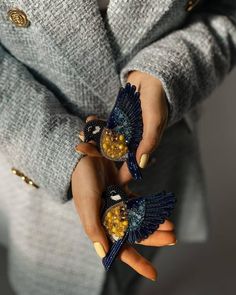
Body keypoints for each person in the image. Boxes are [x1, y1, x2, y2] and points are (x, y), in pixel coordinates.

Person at [0, 0, 235, 294]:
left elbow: (226, 12)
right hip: (37, 177)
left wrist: (166, 72)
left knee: (131, 276)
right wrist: (58, 149)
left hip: (155, 166)